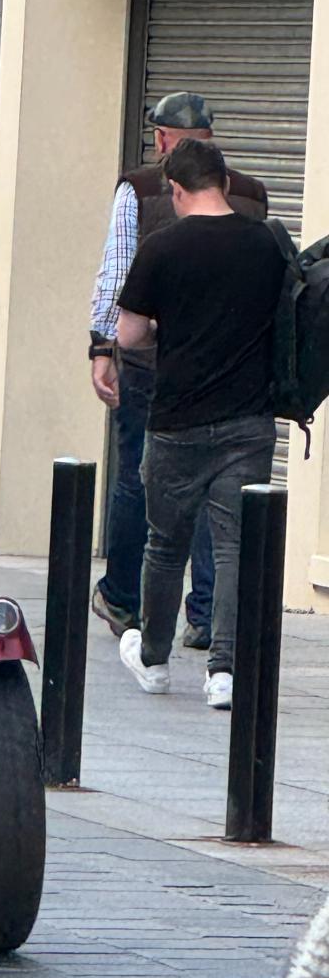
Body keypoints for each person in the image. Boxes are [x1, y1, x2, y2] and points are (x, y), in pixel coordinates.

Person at [90, 91, 269, 648]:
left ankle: (128, 604)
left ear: (163, 139)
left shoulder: (140, 188)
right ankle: (208, 617)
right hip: (241, 382)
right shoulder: (253, 197)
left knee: (140, 484)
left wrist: (101, 348)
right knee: (225, 509)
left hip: (157, 373)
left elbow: (116, 273)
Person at [114, 137, 284, 713]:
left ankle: (154, 659)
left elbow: (129, 334)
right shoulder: (266, 243)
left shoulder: (162, 246)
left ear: (177, 190)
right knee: (234, 547)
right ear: (226, 184)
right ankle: (224, 672)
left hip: (177, 419)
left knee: (166, 544)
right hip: (249, 420)